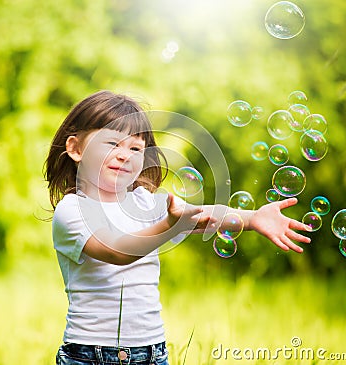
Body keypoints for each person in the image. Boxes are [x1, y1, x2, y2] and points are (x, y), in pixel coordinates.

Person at [44, 90, 311, 365]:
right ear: (76, 149)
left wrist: (253, 217)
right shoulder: (73, 209)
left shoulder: (145, 203)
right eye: (112, 143)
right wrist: (170, 227)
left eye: (135, 148)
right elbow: (118, 250)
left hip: (151, 352)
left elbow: (204, 214)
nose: (125, 155)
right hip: (89, 354)